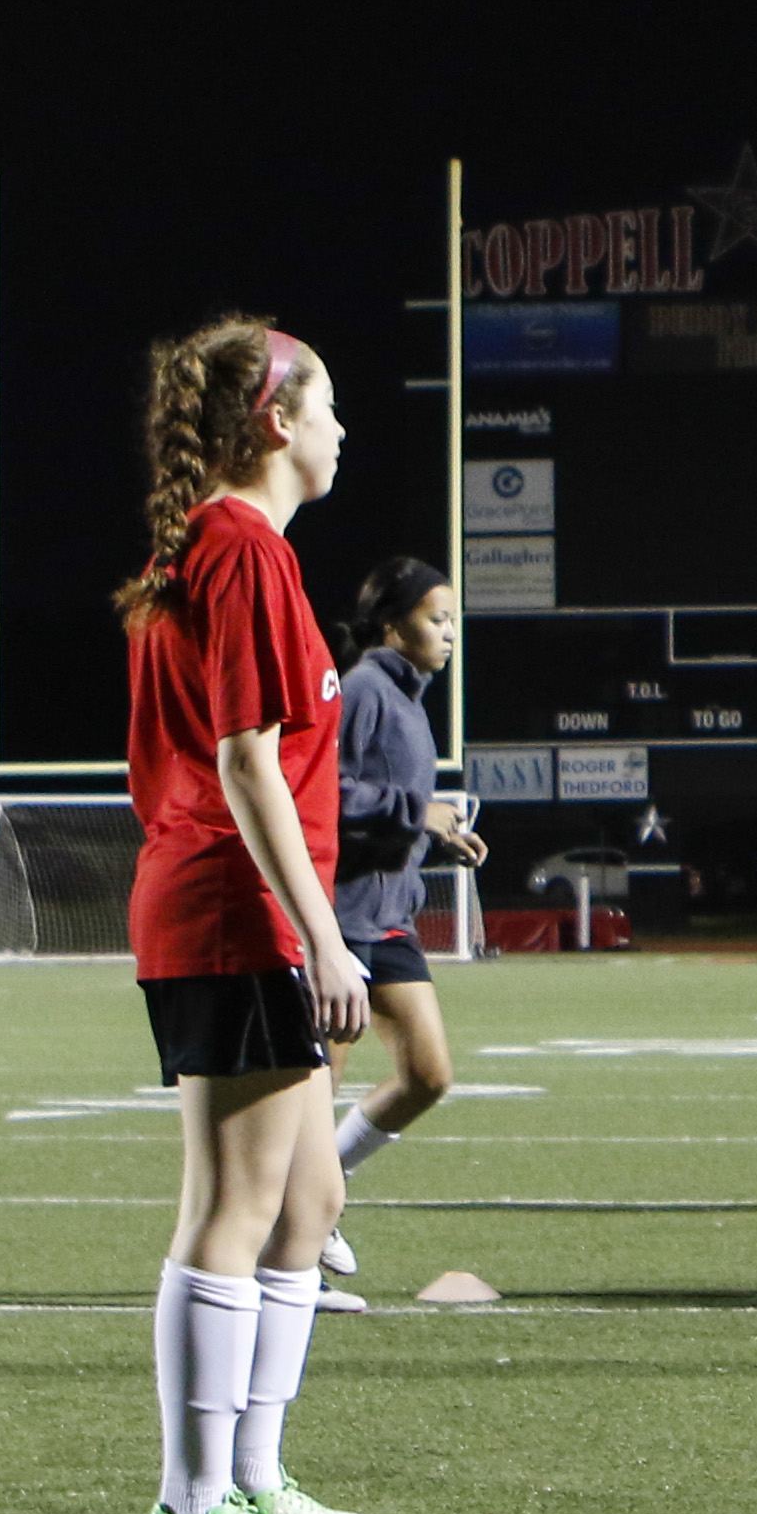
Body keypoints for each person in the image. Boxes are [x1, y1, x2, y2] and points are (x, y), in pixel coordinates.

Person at [119, 319, 385, 1514]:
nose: (344, 431)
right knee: (231, 1205)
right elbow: (241, 762)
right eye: (329, 407)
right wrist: (324, 939)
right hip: (236, 911)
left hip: (252, 910)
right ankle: (193, 1495)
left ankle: (255, 1472)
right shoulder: (237, 546)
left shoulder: (241, 550)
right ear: (278, 422)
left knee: (309, 1199)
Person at [318, 555, 483, 1298]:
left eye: (452, 620)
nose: (449, 633)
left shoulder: (409, 699)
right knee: (310, 1095)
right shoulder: (362, 690)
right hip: (344, 917)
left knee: (428, 1074)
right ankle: (287, 1252)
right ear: (392, 625)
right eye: (435, 618)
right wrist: (416, 814)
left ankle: (325, 1189)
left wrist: (436, 832)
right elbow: (325, 790)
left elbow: (386, 802)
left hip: (390, 916)